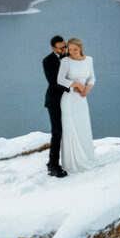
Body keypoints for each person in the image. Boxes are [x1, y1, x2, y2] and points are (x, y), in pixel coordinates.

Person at [57, 37, 96, 173]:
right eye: (70, 49)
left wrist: (87, 88)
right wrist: (77, 84)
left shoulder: (89, 60)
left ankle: (86, 157)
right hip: (69, 99)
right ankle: (71, 163)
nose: (72, 52)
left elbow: (92, 77)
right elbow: (60, 79)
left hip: (82, 99)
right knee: (71, 129)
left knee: (83, 126)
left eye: (75, 49)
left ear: (80, 48)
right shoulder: (66, 61)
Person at [42, 35, 69, 178]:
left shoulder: (68, 56)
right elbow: (54, 82)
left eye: (65, 46)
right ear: (53, 48)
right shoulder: (47, 61)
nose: (64, 49)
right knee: (57, 132)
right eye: (61, 48)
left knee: (67, 130)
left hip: (68, 101)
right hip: (54, 101)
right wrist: (72, 86)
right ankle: (53, 165)